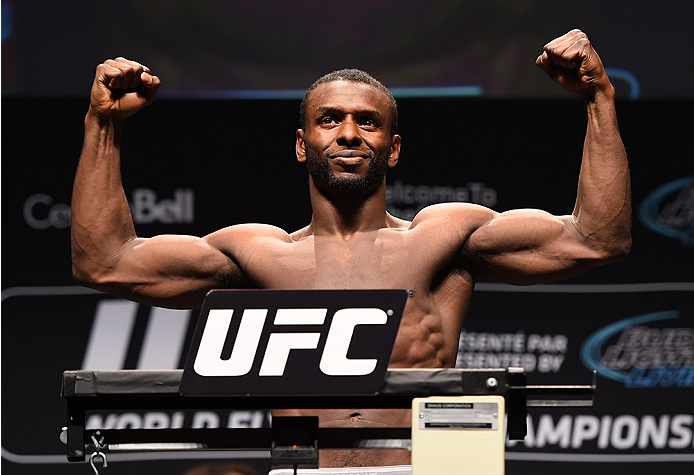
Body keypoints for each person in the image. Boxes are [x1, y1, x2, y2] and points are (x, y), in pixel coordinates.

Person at [71, 29, 631, 473]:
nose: (349, 133)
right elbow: (106, 262)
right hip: (304, 470)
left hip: (427, 467)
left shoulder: (444, 236)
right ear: (301, 144)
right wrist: (103, 124)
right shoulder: (257, 253)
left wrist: (598, 97)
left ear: (392, 149)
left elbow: (596, 239)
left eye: (368, 122)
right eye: (329, 120)